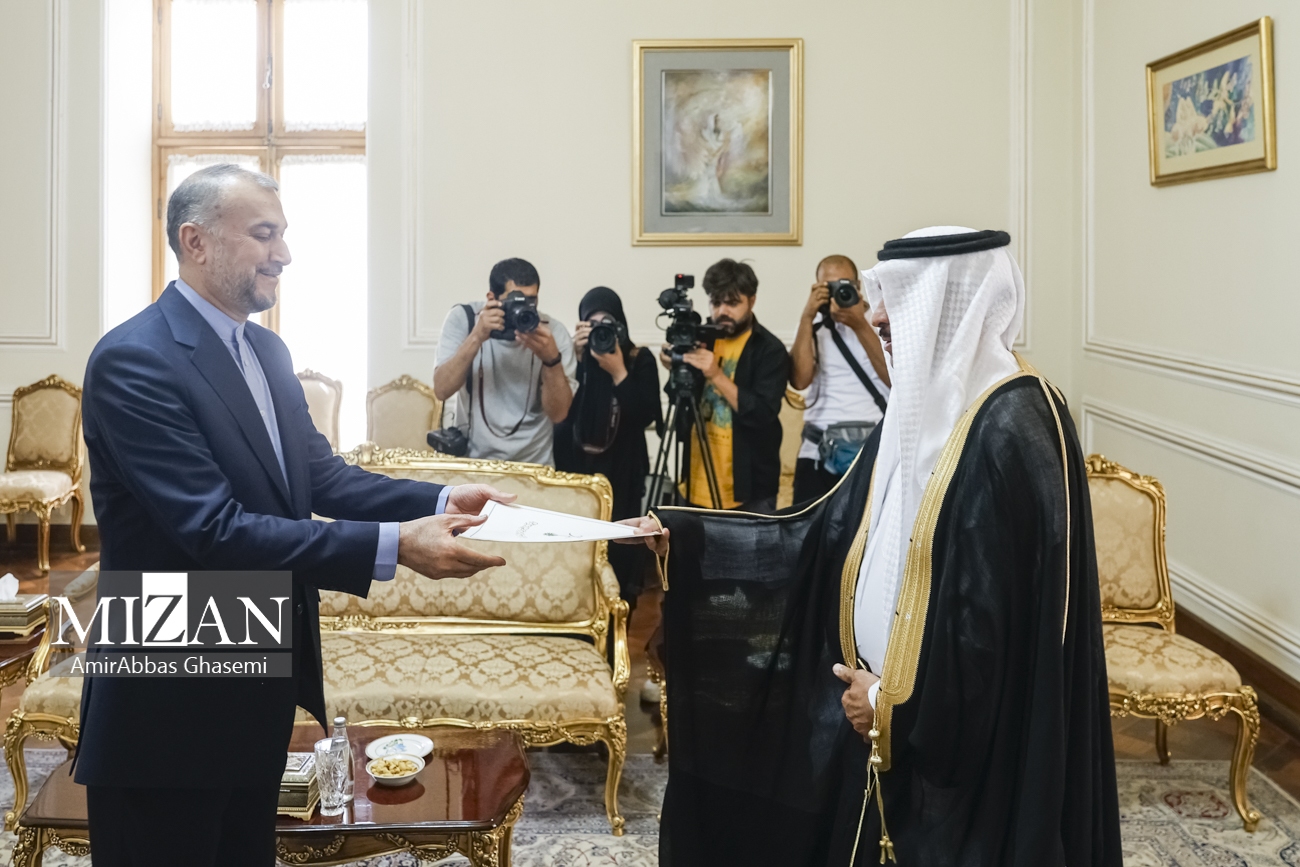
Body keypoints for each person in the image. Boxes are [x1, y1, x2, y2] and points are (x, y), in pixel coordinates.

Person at [77, 164, 516, 867]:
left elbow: (321, 476)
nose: (284, 253)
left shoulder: (266, 349)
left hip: (256, 666)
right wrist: (396, 545)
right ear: (195, 241)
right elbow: (212, 529)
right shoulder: (135, 359)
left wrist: (438, 499)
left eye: (282, 234)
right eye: (264, 234)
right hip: (167, 691)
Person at [646, 228, 1121, 866]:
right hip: (878, 721)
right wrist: (690, 537)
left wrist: (894, 705)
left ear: (953, 301)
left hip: (957, 766)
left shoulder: (1013, 423)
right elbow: (825, 529)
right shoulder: (916, 409)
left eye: (897, 298)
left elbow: (996, 635)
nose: (875, 317)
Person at [554, 287, 663, 611]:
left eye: (608, 324)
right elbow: (560, 415)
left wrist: (619, 372)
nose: (600, 331)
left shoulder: (638, 358)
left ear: (621, 326)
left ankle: (618, 613)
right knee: (576, 547)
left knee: (621, 545)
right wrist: (574, 360)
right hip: (576, 469)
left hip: (623, 471)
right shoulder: (576, 361)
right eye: (592, 324)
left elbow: (646, 415)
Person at [658, 258, 789, 513]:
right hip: (693, 482)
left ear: (752, 301)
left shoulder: (769, 349)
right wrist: (674, 368)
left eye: (732, 303)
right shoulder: (698, 338)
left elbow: (763, 415)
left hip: (749, 489)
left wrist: (716, 375)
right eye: (716, 302)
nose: (722, 311)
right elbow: (678, 403)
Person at [432, 258, 577, 465]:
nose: (524, 308)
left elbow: (558, 414)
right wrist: (477, 336)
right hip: (475, 464)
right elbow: (442, 389)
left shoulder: (554, 333)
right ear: (492, 298)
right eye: (516, 300)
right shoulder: (464, 320)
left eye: (531, 300)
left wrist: (551, 361)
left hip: (534, 466)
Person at [788, 254, 891, 504]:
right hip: (818, 447)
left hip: (873, 443)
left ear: (857, 286)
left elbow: (894, 378)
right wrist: (807, 317)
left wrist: (859, 325)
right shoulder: (813, 325)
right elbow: (800, 381)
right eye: (829, 287)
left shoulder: (878, 321)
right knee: (806, 524)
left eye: (844, 285)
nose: (837, 293)